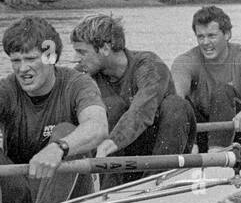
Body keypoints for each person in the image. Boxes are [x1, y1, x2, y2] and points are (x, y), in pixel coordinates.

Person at [0, 16, 109, 203]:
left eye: (31, 59)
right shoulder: (6, 90)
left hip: (72, 196)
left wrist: (60, 148)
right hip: (21, 194)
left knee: (66, 131)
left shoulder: (77, 84)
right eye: (16, 61)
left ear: (50, 57)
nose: (22, 69)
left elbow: (98, 126)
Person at [70, 14, 196, 186]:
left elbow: (142, 110)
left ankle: (157, 182)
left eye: (82, 52)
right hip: (120, 158)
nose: (76, 59)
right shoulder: (83, 74)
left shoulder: (149, 65)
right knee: (110, 106)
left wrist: (111, 143)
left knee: (176, 105)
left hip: (161, 150)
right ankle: (108, 189)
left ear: (105, 48)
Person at [171, 5, 241, 151]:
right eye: (200, 37)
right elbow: (175, 97)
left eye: (211, 36)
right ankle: (192, 149)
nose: (205, 42)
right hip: (204, 132)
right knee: (177, 103)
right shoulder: (186, 60)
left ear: (227, 34)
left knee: (222, 91)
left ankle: (216, 153)